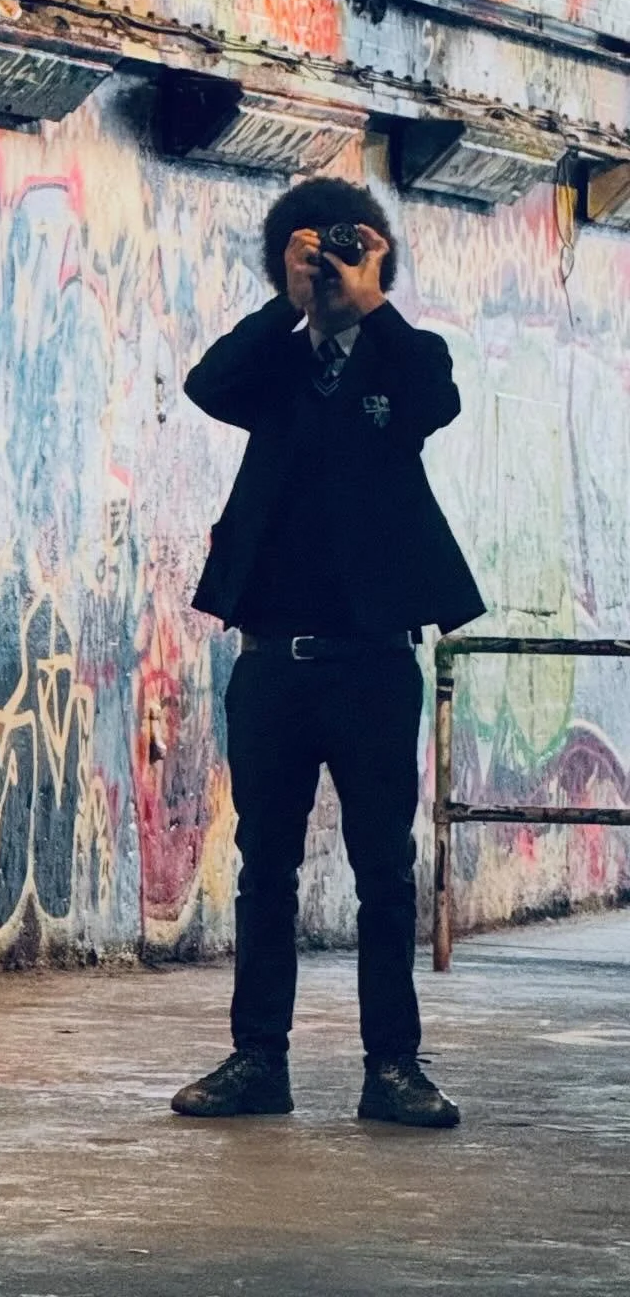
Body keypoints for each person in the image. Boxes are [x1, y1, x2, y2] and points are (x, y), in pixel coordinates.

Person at [171, 177, 484, 1129]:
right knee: (264, 864)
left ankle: (393, 1067)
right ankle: (257, 1059)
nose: (336, 265)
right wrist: (293, 301)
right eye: (315, 252)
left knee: (383, 868)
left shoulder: (405, 357)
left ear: (383, 260)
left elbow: (435, 400)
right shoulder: (270, 363)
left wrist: (370, 302)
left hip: (374, 660)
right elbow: (205, 384)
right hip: (272, 659)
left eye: (354, 250)